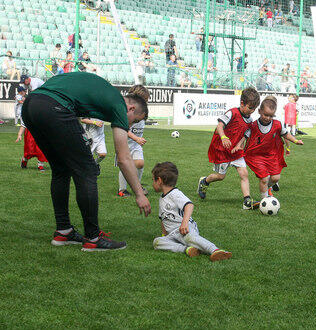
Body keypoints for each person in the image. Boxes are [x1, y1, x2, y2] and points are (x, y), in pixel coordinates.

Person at [21, 72, 151, 251]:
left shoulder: (106, 92)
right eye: (134, 121)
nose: (130, 126)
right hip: (54, 107)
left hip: (31, 105)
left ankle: (63, 231)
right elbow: (123, 158)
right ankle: (93, 238)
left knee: (61, 169)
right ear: (131, 109)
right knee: (88, 170)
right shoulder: (120, 105)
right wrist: (139, 194)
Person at [151, 162, 232, 261]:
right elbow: (163, 219)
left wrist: (184, 224)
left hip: (184, 229)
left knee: (190, 238)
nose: (152, 183)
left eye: (153, 180)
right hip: (173, 234)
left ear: (159, 180)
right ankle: (187, 249)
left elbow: (189, 205)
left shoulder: (175, 194)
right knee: (157, 242)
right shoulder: (162, 198)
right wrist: (164, 236)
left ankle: (215, 250)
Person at [197, 87, 261, 210]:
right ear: (242, 103)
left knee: (244, 174)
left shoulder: (250, 119)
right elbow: (220, 126)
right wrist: (224, 137)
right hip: (222, 149)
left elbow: (246, 133)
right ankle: (205, 181)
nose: (252, 111)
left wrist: (239, 144)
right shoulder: (231, 113)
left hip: (236, 151)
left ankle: (247, 201)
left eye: (254, 108)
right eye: (250, 108)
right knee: (220, 176)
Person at [233, 96, 303, 199]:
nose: (268, 118)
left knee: (275, 178)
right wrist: (239, 145)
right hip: (256, 156)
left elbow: (286, 134)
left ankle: (267, 188)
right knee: (264, 178)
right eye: (265, 115)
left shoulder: (277, 124)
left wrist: (296, 141)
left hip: (271, 155)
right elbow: (245, 136)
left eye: (271, 116)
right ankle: (264, 199)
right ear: (259, 111)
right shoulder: (253, 125)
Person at [118, 85, 150, 198]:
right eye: (144, 100)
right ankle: (122, 189)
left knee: (140, 164)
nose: (145, 103)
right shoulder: (127, 112)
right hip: (124, 144)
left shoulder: (142, 111)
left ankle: (137, 185)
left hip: (136, 145)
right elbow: (123, 129)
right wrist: (136, 138)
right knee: (125, 165)